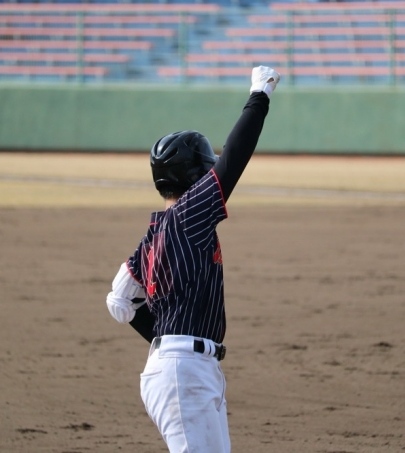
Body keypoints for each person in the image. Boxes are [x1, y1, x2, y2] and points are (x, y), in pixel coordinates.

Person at [105, 65, 280, 453]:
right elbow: (233, 159)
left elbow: (119, 299)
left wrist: (165, 339)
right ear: (195, 176)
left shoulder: (153, 235)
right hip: (183, 373)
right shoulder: (189, 214)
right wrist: (260, 94)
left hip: (186, 369)